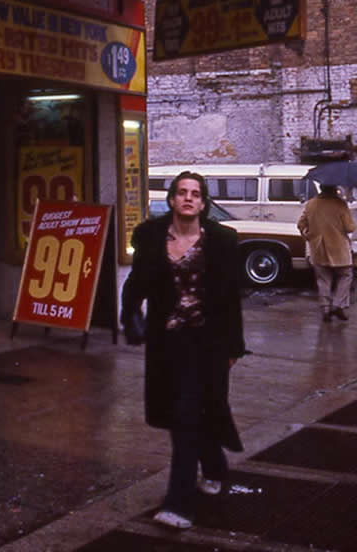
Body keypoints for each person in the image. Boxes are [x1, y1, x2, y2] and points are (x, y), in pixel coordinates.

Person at [120, 170, 246, 530]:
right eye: (182, 192)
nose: (188, 198)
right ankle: (215, 468)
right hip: (168, 344)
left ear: (203, 203)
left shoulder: (222, 241)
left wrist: (234, 346)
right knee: (185, 414)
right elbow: (136, 283)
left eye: (195, 193)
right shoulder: (150, 236)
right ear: (172, 199)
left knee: (190, 415)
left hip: (208, 344)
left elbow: (230, 298)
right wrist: (131, 315)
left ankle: (179, 503)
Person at [297, 184, 356, 322]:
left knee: (323, 279)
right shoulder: (340, 204)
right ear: (334, 189)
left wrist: (308, 236)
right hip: (339, 249)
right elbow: (349, 227)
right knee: (345, 275)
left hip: (318, 248)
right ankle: (338, 305)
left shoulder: (311, 204)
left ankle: (325, 309)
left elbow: (301, 224)